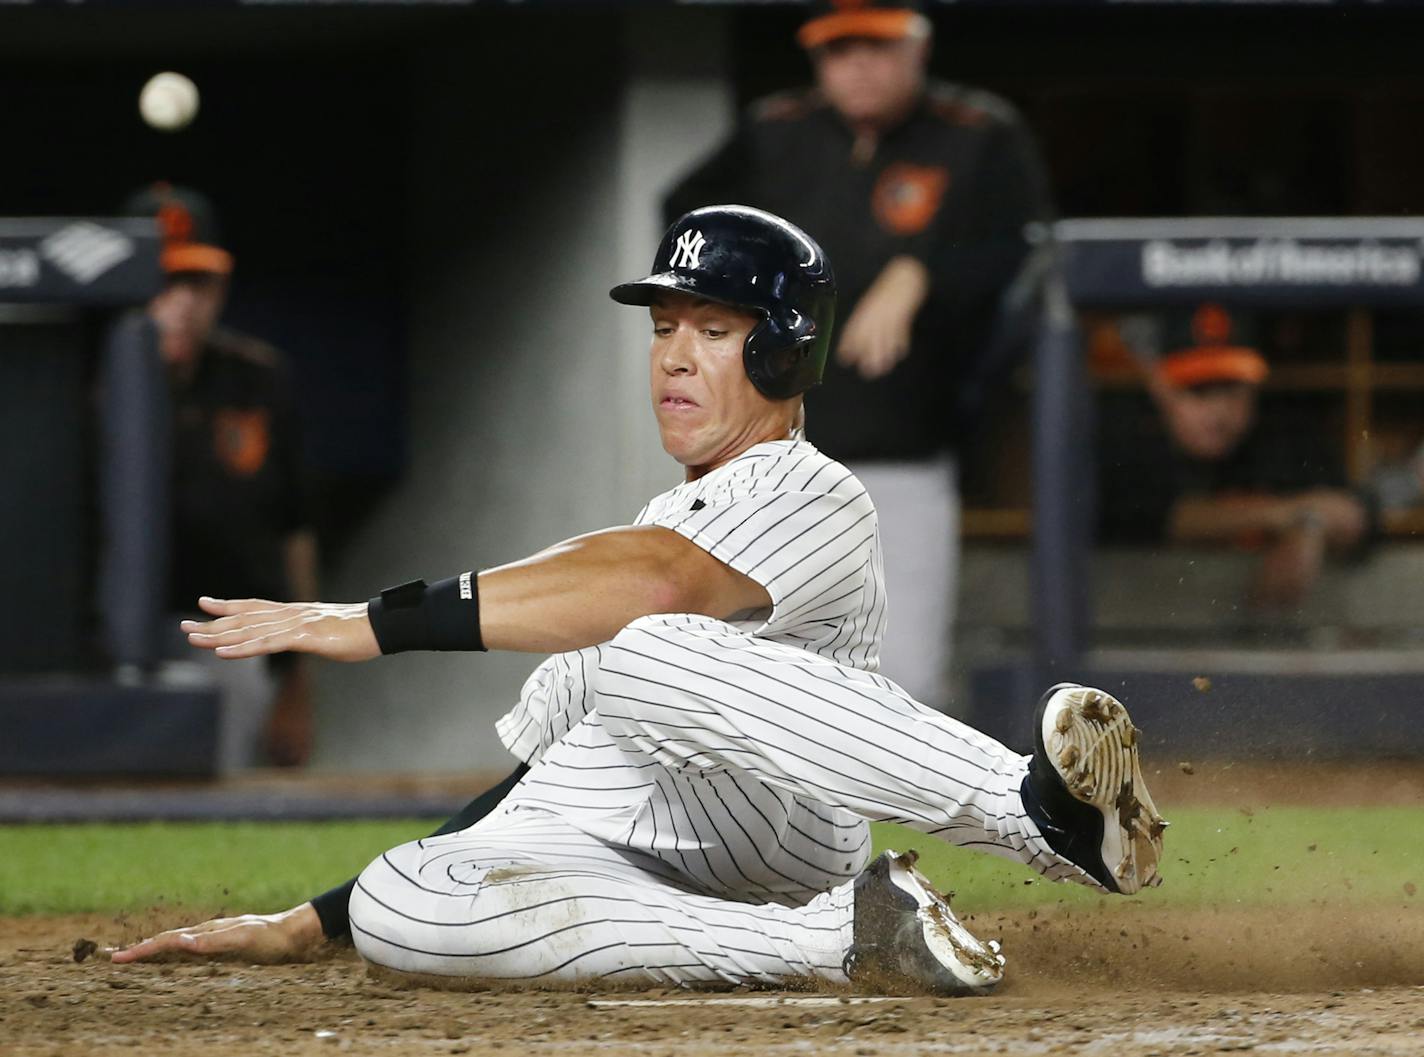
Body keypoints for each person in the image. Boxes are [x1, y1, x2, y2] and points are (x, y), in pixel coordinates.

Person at [111, 207, 1164, 993]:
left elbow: (652, 586)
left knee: (648, 645)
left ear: (781, 348)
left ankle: (1039, 814)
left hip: (776, 824)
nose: (670, 353)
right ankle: (849, 938)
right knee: (401, 895)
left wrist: (368, 622)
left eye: (709, 328)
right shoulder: (657, 525)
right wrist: (309, 920)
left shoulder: (808, 490)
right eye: (663, 325)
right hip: (638, 849)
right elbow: (530, 788)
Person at [662, 0, 1053, 711]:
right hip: (770, 455)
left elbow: (1025, 256)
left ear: (917, 49)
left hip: (905, 444)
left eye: (878, 46)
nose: (859, 65)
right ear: (817, 60)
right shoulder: (776, 130)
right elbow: (686, 221)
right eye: (840, 51)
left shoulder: (976, 133)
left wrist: (920, 271)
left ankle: (892, 819)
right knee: (753, 673)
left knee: (901, 674)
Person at [109, 183, 318, 766]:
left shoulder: (256, 379)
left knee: (220, 804)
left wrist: (298, 681)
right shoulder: (76, 381)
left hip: (229, 637)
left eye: (196, 283)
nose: (179, 302)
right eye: (162, 282)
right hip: (100, 642)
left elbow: (294, 531)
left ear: (221, 288)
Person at [1098, 303, 1376, 609]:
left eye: (1232, 389)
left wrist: (1308, 528)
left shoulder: (1281, 434)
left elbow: (1359, 509)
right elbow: (1146, 516)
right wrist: (1285, 515)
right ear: (1159, 386)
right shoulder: (1130, 434)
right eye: (1198, 391)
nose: (1219, 412)